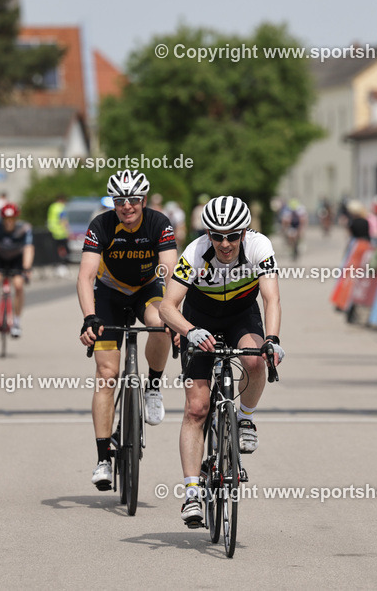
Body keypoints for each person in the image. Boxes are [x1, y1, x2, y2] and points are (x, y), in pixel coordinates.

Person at [158, 196, 284, 526]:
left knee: (256, 362)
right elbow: (167, 306)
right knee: (196, 408)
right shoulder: (196, 252)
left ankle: (245, 419)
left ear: (244, 232)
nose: (225, 244)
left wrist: (272, 340)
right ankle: (192, 494)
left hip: (242, 315)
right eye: (217, 236)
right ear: (208, 234)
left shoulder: (259, 246)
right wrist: (189, 331)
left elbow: (271, 298)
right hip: (199, 318)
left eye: (232, 235)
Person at [77, 170, 177, 491]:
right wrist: (89, 317)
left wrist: (174, 314)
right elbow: (85, 276)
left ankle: (153, 387)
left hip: (147, 287)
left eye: (133, 200)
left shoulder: (158, 223)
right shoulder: (101, 225)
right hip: (109, 293)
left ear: (144, 201)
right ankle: (103, 458)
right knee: (107, 374)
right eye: (120, 201)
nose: (127, 207)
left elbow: (171, 269)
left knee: (159, 323)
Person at [0, 203, 34, 337]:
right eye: (6, 219)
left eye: (12, 219)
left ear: (16, 218)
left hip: (16, 259)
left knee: (18, 285)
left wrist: (27, 268)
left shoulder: (24, 228)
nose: (9, 222)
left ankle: (16, 322)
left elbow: (29, 248)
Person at [47, 194, 70, 271]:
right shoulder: (61, 207)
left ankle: (56, 265)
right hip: (61, 232)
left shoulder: (52, 206)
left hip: (52, 231)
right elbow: (63, 220)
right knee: (65, 249)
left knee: (55, 250)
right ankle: (63, 265)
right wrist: (68, 232)